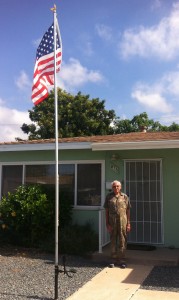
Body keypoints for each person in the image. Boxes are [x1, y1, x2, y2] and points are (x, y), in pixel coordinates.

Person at [104, 180, 131, 268]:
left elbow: (128, 210)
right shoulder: (109, 197)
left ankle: (122, 260)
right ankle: (113, 259)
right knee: (113, 240)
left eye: (117, 186)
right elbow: (106, 210)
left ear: (120, 187)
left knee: (122, 239)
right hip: (112, 222)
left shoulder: (125, 197)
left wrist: (128, 224)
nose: (116, 188)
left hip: (123, 221)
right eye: (114, 186)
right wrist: (107, 223)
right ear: (112, 188)